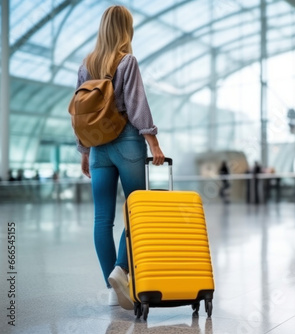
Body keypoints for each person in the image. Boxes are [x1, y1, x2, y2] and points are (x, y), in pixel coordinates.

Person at [75, 5, 165, 310]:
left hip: (98, 145)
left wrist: (84, 150)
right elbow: (138, 105)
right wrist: (153, 143)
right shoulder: (127, 61)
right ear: (126, 29)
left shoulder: (86, 65)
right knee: (137, 210)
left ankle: (112, 290)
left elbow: (81, 112)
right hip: (127, 140)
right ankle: (120, 269)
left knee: (103, 219)